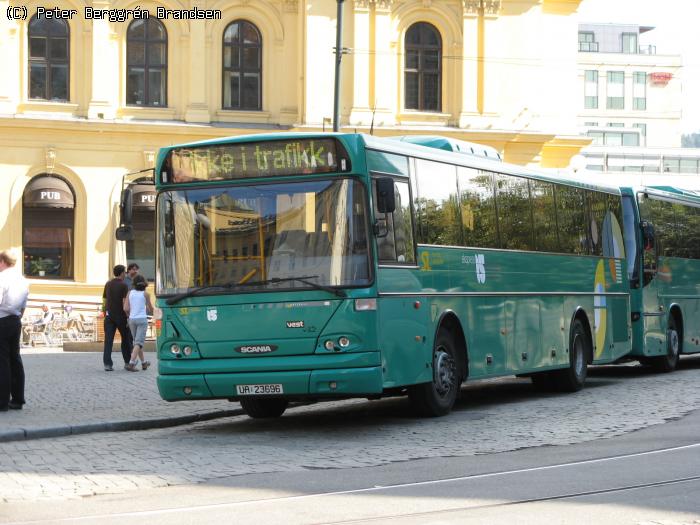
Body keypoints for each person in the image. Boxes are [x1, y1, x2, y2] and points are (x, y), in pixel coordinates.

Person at [0, 250, 30, 411]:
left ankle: (2, 401)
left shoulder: (1, 278)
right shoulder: (23, 280)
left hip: (2, 320)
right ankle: (18, 399)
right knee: (15, 359)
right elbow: (24, 305)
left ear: (2, 262)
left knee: (2, 361)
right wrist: (17, 317)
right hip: (15, 321)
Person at [102, 264, 133, 371]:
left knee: (108, 341)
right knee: (126, 339)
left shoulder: (108, 284)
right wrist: (128, 316)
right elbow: (124, 302)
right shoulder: (124, 285)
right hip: (121, 316)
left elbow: (104, 300)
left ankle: (107, 364)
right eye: (124, 272)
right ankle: (127, 362)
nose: (125, 274)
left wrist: (104, 311)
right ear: (121, 273)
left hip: (109, 316)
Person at [124, 275, 154, 371]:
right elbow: (150, 309)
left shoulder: (129, 293)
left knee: (137, 342)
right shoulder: (146, 294)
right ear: (144, 284)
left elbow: (125, 308)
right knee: (139, 342)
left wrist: (129, 315)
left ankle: (144, 363)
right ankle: (131, 363)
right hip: (142, 320)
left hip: (132, 320)